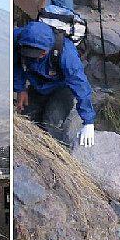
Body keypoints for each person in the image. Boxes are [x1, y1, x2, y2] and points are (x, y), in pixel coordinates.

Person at [14, 11, 96, 147]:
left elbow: (80, 86)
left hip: (62, 87)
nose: (34, 57)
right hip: (37, 84)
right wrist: (20, 89)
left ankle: (59, 155)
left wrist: (88, 122)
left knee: (50, 123)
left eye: (39, 54)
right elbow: (15, 63)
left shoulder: (67, 55)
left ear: (47, 49)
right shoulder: (19, 38)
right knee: (27, 121)